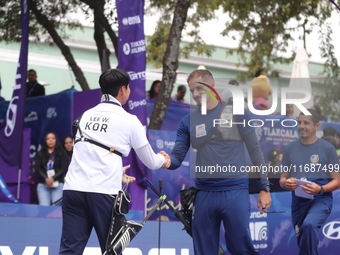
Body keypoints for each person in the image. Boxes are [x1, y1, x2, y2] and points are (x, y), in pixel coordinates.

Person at [59, 69, 169, 255]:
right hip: (103, 193)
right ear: (123, 90)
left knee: (69, 251)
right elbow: (150, 161)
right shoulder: (129, 120)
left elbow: (87, 152)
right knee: (112, 251)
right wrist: (163, 160)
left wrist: (116, 171)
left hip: (73, 190)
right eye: (129, 88)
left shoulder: (84, 116)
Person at [161, 69, 271, 255]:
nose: (195, 94)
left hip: (235, 191)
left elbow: (255, 151)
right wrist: (163, 160)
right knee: (203, 251)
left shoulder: (237, 114)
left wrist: (264, 188)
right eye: (192, 90)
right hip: (204, 195)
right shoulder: (187, 122)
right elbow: (177, 158)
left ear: (211, 86)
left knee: (241, 249)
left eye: (199, 89)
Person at [279, 109, 340, 255]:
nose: (301, 126)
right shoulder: (290, 148)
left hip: (321, 200)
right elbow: (282, 179)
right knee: (304, 242)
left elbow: (337, 180)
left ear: (317, 126)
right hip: (298, 203)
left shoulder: (327, 149)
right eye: (299, 122)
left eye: (306, 123)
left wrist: (320, 189)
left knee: (309, 225)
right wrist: (286, 183)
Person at [35, 132, 68, 206]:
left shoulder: (62, 152)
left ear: (56, 140)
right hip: (43, 184)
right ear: (45, 141)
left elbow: (63, 168)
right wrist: (46, 179)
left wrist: (53, 178)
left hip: (57, 184)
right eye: (48, 138)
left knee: (56, 209)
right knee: (43, 209)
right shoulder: (40, 153)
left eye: (53, 138)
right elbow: (37, 169)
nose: (50, 140)